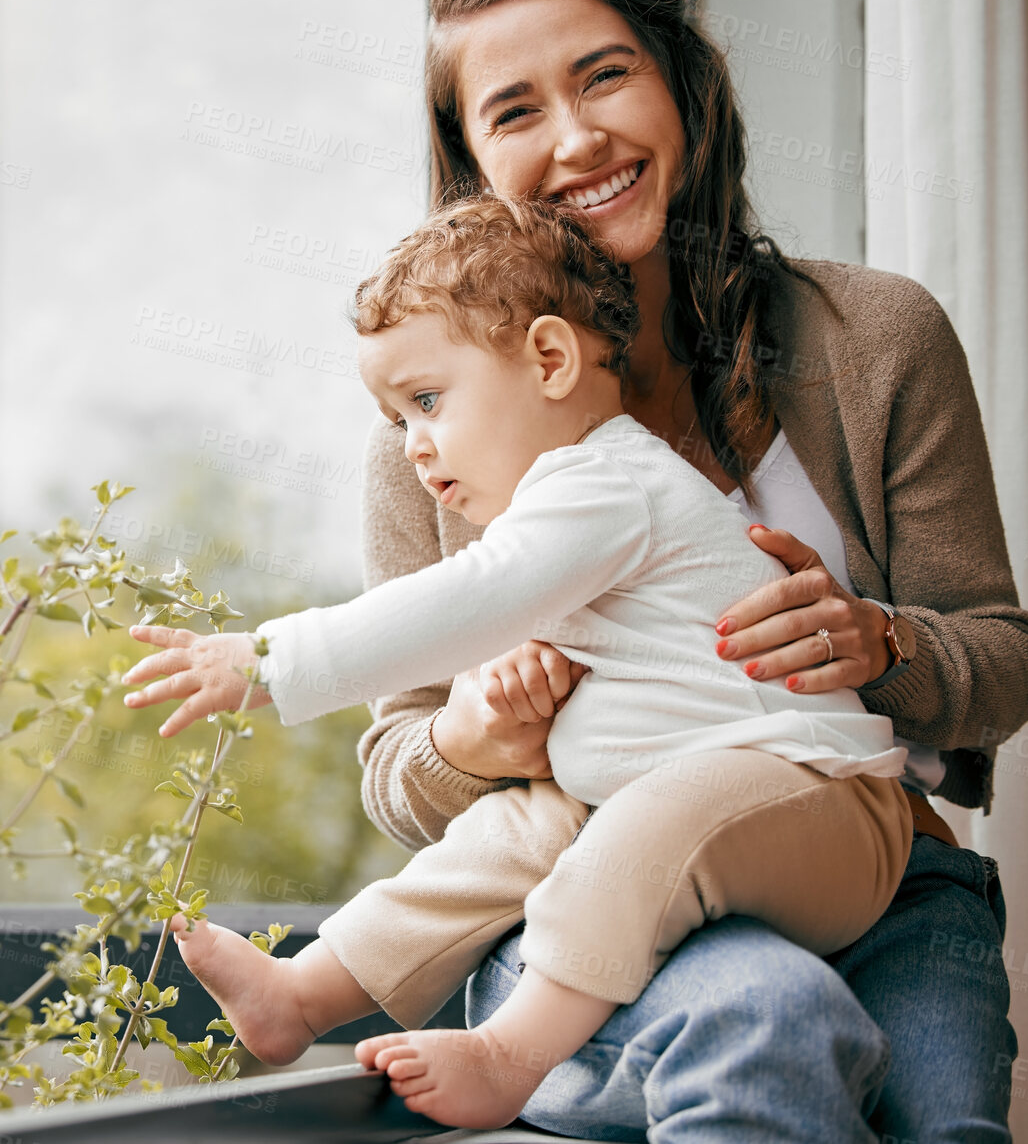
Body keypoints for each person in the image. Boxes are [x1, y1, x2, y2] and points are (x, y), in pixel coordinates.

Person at [345, 0, 1028, 1140]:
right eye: (516, 111)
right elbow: (397, 762)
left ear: (684, 89)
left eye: (607, 75)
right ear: (472, 160)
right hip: (589, 905)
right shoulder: (426, 443)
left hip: (892, 880)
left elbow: (1006, 660)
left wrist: (886, 643)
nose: (577, 139)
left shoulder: (877, 338)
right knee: (764, 1018)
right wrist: (472, 738)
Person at [121, 192, 913, 1130]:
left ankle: (514, 1051)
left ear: (548, 358)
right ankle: (306, 992)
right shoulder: (567, 503)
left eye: (425, 401)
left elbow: (470, 599)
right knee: (505, 835)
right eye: (394, 417)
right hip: (665, 801)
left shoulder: (605, 483)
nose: (412, 447)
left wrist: (269, 660)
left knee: (636, 828)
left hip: (824, 806)